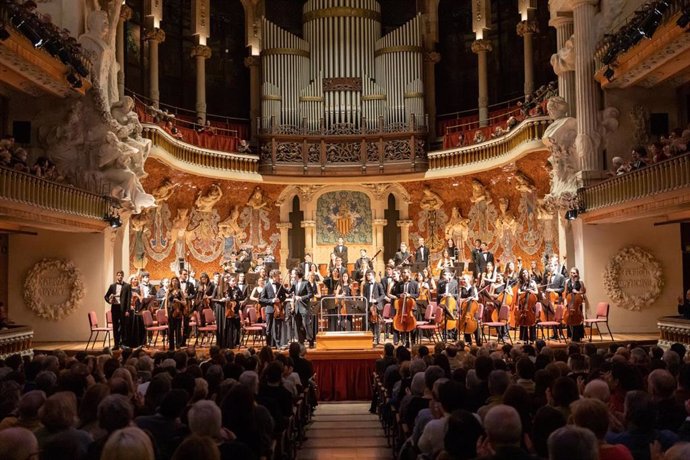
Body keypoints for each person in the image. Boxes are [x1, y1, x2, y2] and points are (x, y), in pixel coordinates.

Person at [104, 270, 132, 350]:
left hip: (123, 309)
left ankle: (123, 344)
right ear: (116, 276)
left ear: (123, 276)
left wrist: (127, 310)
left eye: (121, 275)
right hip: (115, 308)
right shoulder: (112, 286)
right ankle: (116, 344)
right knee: (115, 327)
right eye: (118, 275)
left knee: (123, 326)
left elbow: (128, 299)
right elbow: (106, 296)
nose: (120, 276)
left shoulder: (127, 286)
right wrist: (109, 301)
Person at [259, 269, 286, 348]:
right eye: (278, 276)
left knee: (277, 327)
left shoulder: (278, 285)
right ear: (273, 277)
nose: (279, 277)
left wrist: (279, 300)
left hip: (277, 309)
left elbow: (283, 296)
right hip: (270, 310)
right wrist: (271, 300)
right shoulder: (266, 286)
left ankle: (278, 344)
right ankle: (268, 345)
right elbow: (261, 299)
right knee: (269, 328)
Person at [288, 268, 313, 345]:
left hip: (304, 307)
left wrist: (301, 297)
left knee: (306, 324)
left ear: (297, 274)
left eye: (293, 274)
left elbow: (311, 294)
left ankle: (310, 340)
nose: (292, 275)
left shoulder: (306, 282)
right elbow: (289, 291)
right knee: (297, 324)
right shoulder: (294, 283)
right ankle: (300, 341)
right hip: (297, 307)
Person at [362, 270, 385, 345]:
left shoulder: (379, 284)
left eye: (369, 275)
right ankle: (371, 338)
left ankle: (377, 339)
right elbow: (365, 296)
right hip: (369, 306)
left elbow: (383, 295)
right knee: (370, 323)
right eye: (367, 275)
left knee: (377, 323)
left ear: (373, 275)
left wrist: (376, 300)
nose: (368, 276)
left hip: (377, 306)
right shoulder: (365, 285)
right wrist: (365, 305)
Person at [517, 268, 538, 344]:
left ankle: (532, 338)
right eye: (523, 273)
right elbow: (519, 292)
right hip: (523, 304)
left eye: (525, 272)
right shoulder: (521, 283)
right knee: (523, 320)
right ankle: (524, 338)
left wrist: (531, 291)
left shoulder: (533, 282)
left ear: (528, 274)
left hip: (531, 305)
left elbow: (536, 292)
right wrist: (524, 291)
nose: (524, 274)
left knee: (532, 321)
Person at [564, 267, 586, 342]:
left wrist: (577, 292)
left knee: (578, 319)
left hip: (577, 303)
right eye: (571, 273)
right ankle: (571, 335)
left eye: (574, 273)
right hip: (570, 303)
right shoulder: (567, 281)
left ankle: (578, 336)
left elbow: (583, 291)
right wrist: (565, 301)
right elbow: (566, 292)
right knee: (569, 318)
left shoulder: (580, 281)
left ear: (577, 274)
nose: (572, 274)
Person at [165, 276, 186, 350]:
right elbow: (166, 302)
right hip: (170, 311)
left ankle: (178, 345)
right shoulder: (169, 291)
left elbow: (185, 302)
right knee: (171, 330)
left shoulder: (180, 291)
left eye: (176, 280)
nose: (174, 282)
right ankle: (171, 347)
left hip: (178, 312)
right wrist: (166, 313)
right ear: (171, 282)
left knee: (178, 329)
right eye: (173, 280)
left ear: (178, 282)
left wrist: (179, 301)